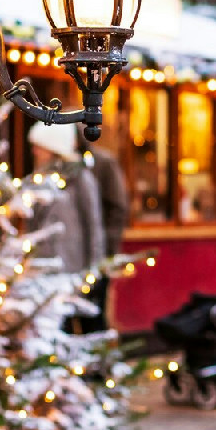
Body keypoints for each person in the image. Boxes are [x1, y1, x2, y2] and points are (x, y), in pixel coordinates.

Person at [28, 123, 106, 327]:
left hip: (71, 266)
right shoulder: (38, 179)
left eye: (39, 146)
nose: (34, 151)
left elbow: (93, 225)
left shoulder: (80, 178)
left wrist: (93, 270)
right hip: (43, 268)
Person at [76, 139, 130, 333]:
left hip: (97, 253)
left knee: (94, 315)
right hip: (73, 255)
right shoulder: (63, 166)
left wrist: (107, 249)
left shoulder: (102, 163)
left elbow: (117, 207)